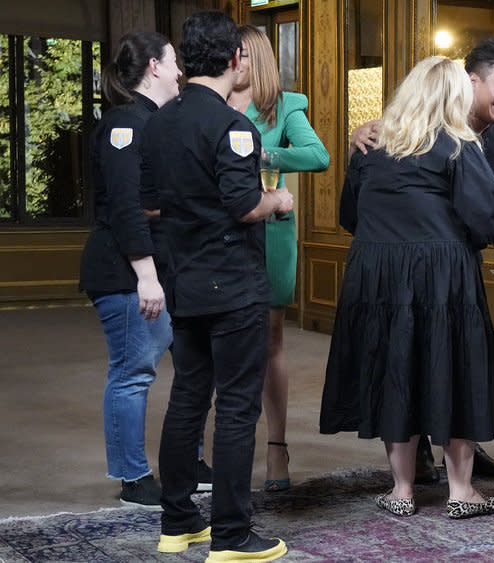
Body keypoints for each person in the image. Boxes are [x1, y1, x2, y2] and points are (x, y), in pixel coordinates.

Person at [320, 56, 494, 520]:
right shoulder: (457, 144)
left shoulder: (370, 145)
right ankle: (461, 491)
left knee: (395, 371)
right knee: (454, 370)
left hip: (377, 274)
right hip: (441, 273)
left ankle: (402, 490)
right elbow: (488, 214)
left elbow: (350, 216)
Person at [142, 11, 292, 561]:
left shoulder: (161, 121)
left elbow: (150, 202)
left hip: (183, 279)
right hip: (232, 285)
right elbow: (244, 205)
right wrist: (278, 200)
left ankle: (178, 522)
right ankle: (231, 536)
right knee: (234, 408)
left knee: (187, 397)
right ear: (235, 60)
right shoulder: (233, 128)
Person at [78, 30, 181, 510]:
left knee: (187, 367)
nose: (181, 71)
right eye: (174, 61)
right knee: (133, 371)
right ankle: (133, 478)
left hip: (158, 266)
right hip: (125, 271)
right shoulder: (126, 123)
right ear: (155, 67)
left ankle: (188, 463)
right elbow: (123, 206)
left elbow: (152, 199)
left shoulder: (154, 121)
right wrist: (146, 276)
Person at [228, 24, 330, 493]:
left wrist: (264, 155)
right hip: (221, 234)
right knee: (218, 339)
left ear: (259, 59)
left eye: (243, 54)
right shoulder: (210, 101)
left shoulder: (286, 105)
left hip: (270, 233)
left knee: (269, 339)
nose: (234, 61)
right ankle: (221, 451)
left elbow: (317, 156)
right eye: (231, 54)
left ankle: (276, 446)